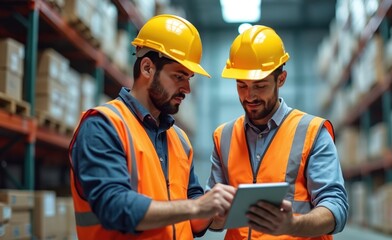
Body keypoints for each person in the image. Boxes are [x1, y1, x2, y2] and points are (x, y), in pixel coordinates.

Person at [69, 14, 235, 240]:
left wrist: (215, 213)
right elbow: (114, 207)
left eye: (189, 78)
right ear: (147, 68)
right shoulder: (103, 125)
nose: (187, 88)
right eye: (179, 76)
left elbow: (193, 219)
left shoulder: (180, 140)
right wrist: (196, 207)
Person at [206, 25, 348, 239]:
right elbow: (213, 219)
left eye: (260, 86)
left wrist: (294, 225)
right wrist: (214, 217)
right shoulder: (223, 136)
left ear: (281, 79)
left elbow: (336, 207)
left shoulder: (311, 132)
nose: (249, 96)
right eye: (241, 85)